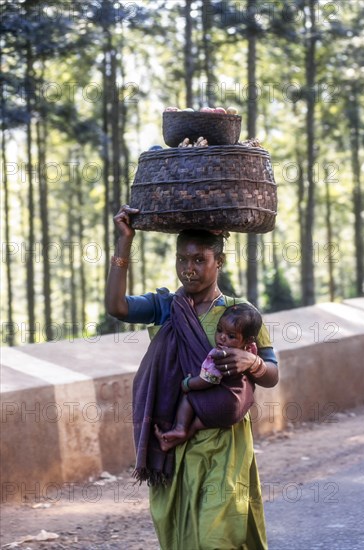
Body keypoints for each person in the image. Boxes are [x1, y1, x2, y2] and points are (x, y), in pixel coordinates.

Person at [105, 205, 279, 550]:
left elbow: (272, 374)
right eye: (182, 260)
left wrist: (251, 362)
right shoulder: (167, 306)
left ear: (220, 261)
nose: (189, 269)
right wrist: (124, 244)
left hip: (224, 446)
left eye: (199, 260)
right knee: (182, 537)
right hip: (173, 442)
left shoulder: (239, 316)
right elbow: (117, 307)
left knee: (218, 537)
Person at [154, 303, 262, 452]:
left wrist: (188, 384)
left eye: (231, 336)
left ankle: (180, 427)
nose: (222, 337)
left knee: (190, 396)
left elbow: (207, 380)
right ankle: (171, 442)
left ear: (247, 340)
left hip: (225, 403)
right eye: (219, 330)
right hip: (241, 406)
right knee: (197, 424)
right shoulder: (251, 350)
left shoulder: (219, 355)